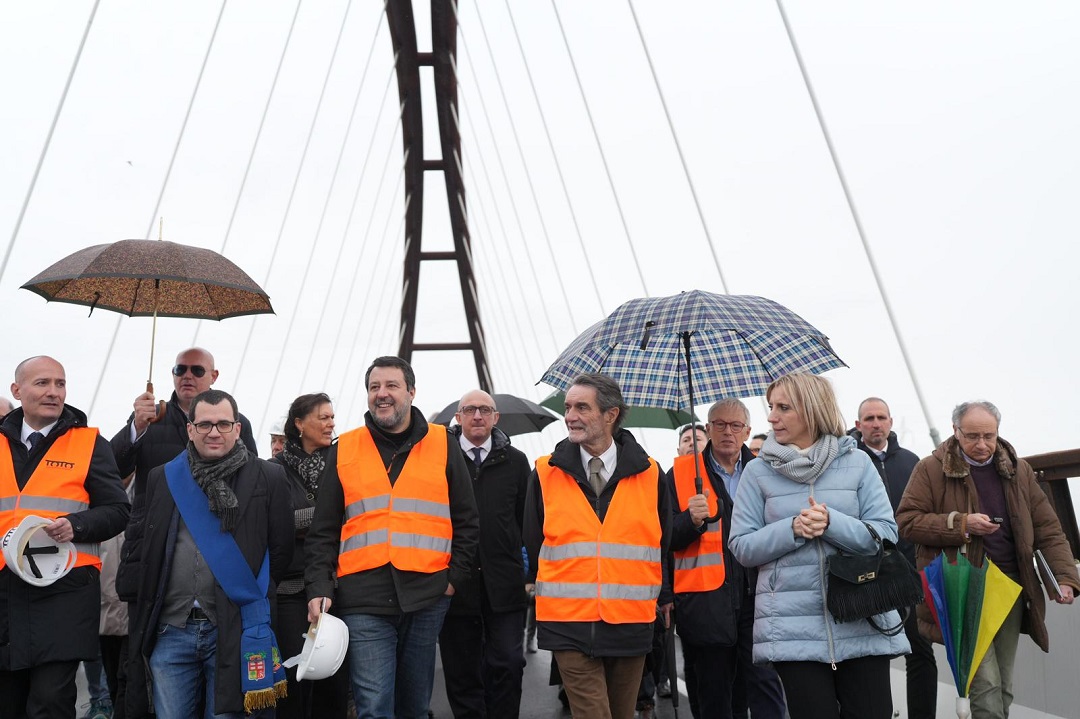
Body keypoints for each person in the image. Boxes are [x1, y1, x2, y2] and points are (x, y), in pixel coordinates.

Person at [305, 356, 479, 719]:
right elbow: (323, 530)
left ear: (411, 392)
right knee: (374, 706)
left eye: (391, 386)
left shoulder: (444, 444)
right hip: (362, 597)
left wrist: (453, 581)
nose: (381, 394)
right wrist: (319, 587)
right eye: (374, 387)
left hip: (428, 594)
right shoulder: (344, 448)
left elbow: (467, 519)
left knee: (415, 707)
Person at [728, 373, 908, 719]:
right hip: (792, 629)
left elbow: (886, 534)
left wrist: (831, 524)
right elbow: (742, 546)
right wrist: (794, 528)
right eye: (771, 407)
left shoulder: (857, 462)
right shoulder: (756, 473)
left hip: (862, 617)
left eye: (783, 407)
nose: (771, 417)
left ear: (811, 411)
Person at [896, 400, 1079, 719]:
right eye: (972, 436)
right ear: (955, 432)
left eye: (989, 436)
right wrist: (961, 524)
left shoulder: (1018, 469)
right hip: (964, 590)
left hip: (1011, 590)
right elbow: (907, 522)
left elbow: (1047, 528)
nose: (982, 444)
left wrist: (1065, 577)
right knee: (985, 684)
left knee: (1004, 685)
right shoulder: (930, 468)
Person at [127, 389, 292, 718]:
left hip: (233, 627)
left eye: (222, 424)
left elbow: (281, 548)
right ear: (190, 429)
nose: (214, 432)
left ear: (237, 429)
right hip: (171, 629)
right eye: (204, 425)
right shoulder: (164, 477)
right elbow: (148, 544)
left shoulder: (269, 476)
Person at [523, 373, 671, 719]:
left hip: (630, 621)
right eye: (568, 407)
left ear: (610, 414)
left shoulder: (651, 474)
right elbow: (533, 538)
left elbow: (660, 543)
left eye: (581, 407)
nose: (570, 415)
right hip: (567, 622)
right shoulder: (545, 473)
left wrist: (664, 596)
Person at [0, 356, 130, 719]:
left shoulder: (89, 444)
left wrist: (77, 525)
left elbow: (119, 511)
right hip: (4, 597)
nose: (54, 392)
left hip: (62, 597)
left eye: (60, 384)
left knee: (50, 705)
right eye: (42, 383)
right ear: (17, 390)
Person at [669, 399, 786, 719]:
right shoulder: (679, 474)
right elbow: (663, 538)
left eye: (736, 426)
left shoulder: (768, 471)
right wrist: (690, 522)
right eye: (719, 424)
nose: (727, 432)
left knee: (765, 684)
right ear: (707, 429)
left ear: (748, 431)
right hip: (707, 601)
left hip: (760, 595)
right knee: (715, 692)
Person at [439, 389, 530, 719]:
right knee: (462, 672)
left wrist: (527, 573)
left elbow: (526, 520)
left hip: (504, 585)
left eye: (484, 410)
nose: (477, 416)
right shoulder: (442, 459)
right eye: (470, 410)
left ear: (496, 418)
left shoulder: (517, 462)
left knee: (508, 662)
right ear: (459, 418)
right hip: (455, 584)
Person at [850, 396, 935, 719]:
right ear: (858, 426)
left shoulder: (912, 462)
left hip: (910, 571)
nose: (875, 423)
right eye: (869, 418)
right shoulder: (850, 461)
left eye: (881, 417)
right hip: (869, 572)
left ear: (890, 422)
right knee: (872, 655)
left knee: (920, 650)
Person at [270, 393, 350, 719]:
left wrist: (306, 520)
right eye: (323, 417)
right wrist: (325, 519)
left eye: (332, 417)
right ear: (300, 424)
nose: (331, 423)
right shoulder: (272, 470)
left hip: (337, 586)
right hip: (290, 590)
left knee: (334, 682)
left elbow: (354, 518)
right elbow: (274, 523)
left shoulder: (345, 464)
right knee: (293, 678)